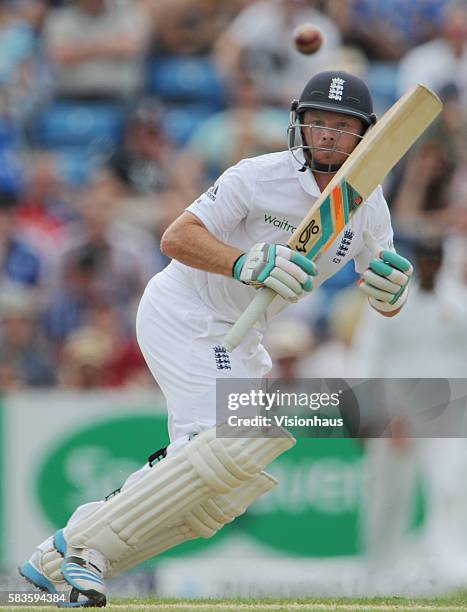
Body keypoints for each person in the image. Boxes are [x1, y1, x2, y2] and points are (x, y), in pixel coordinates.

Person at [19, 70, 414, 607]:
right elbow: (175, 237)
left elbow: (382, 290)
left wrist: (392, 295)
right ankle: (87, 551)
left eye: (340, 126)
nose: (326, 135)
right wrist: (244, 262)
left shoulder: (367, 203)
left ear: (362, 136)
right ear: (299, 123)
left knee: (225, 485)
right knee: (219, 441)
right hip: (185, 311)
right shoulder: (258, 176)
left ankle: (60, 558)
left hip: (242, 338)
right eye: (317, 122)